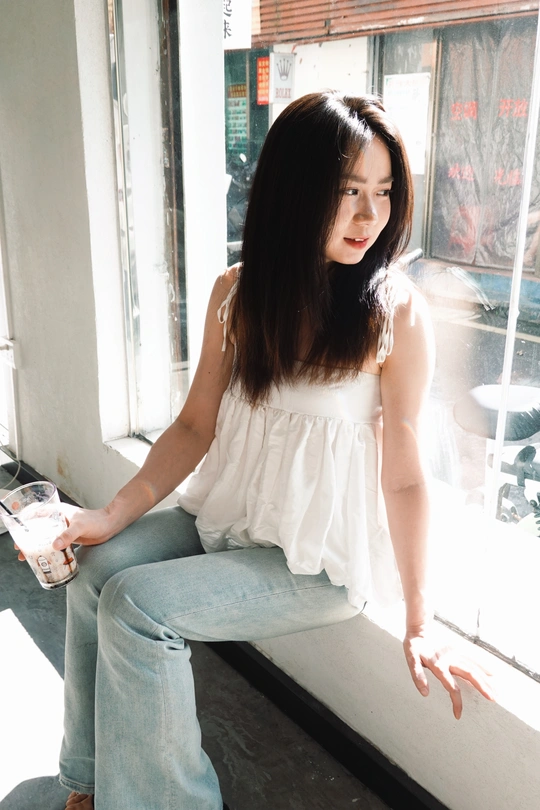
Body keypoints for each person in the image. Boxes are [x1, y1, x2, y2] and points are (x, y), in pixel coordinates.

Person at [20, 92, 494, 810]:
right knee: (95, 574)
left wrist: (420, 620)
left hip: (317, 560)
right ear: (294, 192)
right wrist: (108, 517)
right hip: (230, 518)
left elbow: (404, 476)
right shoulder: (237, 293)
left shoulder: (394, 313)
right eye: (348, 191)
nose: (370, 216)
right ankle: (87, 785)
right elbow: (193, 427)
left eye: (385, 191)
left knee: (138, 605)